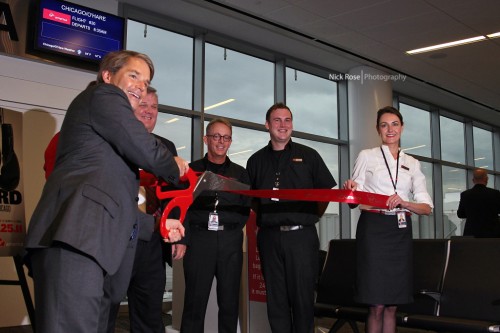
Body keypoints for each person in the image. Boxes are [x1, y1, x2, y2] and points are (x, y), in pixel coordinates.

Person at [24, 50, 189, 333]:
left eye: (146, 82)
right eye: (134, 75)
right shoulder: (104, 95)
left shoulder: (108, 145)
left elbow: (113, 201)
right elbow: (148, 151)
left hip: (95, 250)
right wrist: (174, 165)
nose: (141, 85)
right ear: (108, 76)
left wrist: (159, 224)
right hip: (75, 244)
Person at [246, 103, 336, 333]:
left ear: (292, 124)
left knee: (303, 299)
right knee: (275, 299)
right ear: (267, 125)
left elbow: (325, 192)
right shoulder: (255, 161)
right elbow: (253, 199)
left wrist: (311, 215)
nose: (283, 125)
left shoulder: (309, 155)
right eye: (277, 120)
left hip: (302, 238)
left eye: (287, 120)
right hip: (269, 238)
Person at [343, 106, 433, 333]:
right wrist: (351, 190)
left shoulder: (412, 163)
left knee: (392, 306)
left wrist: (404, 202)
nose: (390, 129)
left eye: (394, 124)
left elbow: (426, 208)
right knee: (376, 305)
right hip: (374, 229)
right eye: (384, 125)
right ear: (378, 129)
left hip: (400, 231)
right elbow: (354, 200)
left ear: (402, 127)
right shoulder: (367, 156)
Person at [180, 118, 250, 333]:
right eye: (216, 136)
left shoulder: (241, 173)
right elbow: (183, 207)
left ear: (230, 141)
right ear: (206, 139)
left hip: (230, 241)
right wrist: (184, 239)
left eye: (226, 137)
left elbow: (245, 208)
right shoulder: (191, 170)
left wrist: (229, 227)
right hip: (199, 240)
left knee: (229, 304)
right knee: (194, 303)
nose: (221, 141)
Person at [457, 168, 500, 237]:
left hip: (471, 233)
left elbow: (460, 214)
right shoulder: (495, 193)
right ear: (486, 179)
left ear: (473, 180)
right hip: (492, 234)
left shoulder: (465, 194)